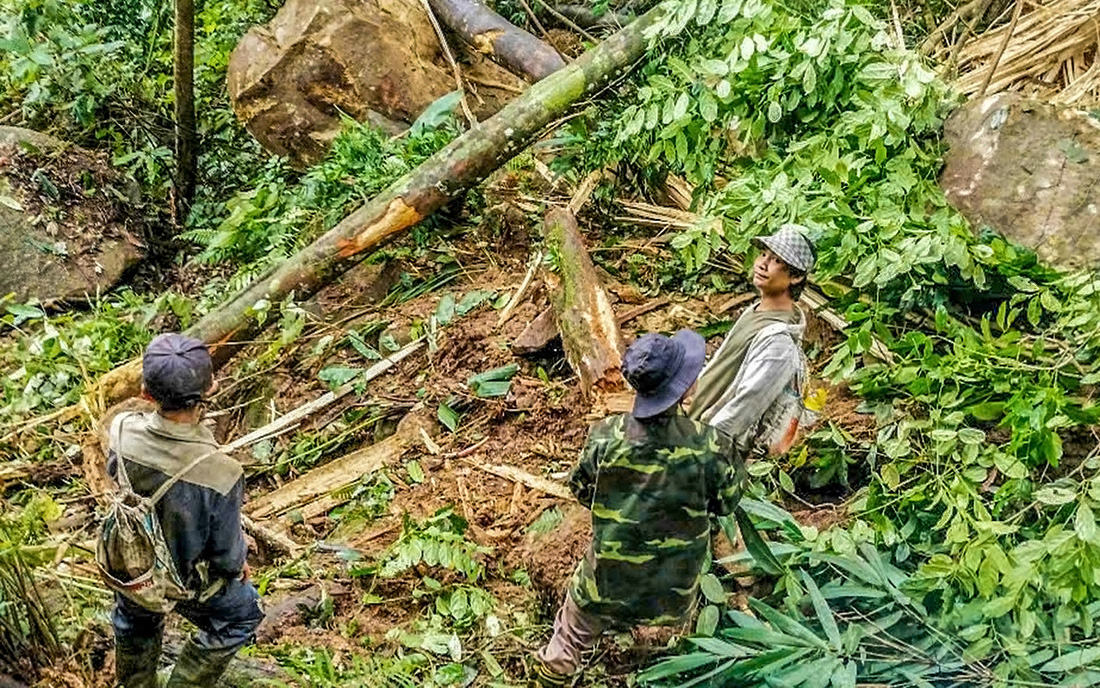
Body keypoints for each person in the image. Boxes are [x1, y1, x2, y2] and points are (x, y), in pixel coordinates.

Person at [534, 330, 743, 686]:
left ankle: (552, 675)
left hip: (607, 580)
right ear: (685, 388)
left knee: (568, 638)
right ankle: (657, 666)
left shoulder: (604, 436)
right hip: (674, 591)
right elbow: (726, 502)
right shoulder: (712, 446)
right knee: (666, 651)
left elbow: (582, 491)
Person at [107, 333, 263, 688]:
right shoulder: (221, 471)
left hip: (133, 566)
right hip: (185, 582)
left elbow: (115, 476)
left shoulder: (121, 432)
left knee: (134, 619)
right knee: (243, 614)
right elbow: (225, 557)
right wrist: (238, 566)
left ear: (146, 392)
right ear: (211, 386)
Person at [689, 224, 817, 457]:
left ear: (796, 276)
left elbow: (745, 406)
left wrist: (703, 449)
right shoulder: (754, 311)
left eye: (777, 261)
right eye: (764, 254)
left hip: (709, 446)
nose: (762, 264)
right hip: (694, 426)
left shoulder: (779, 344)